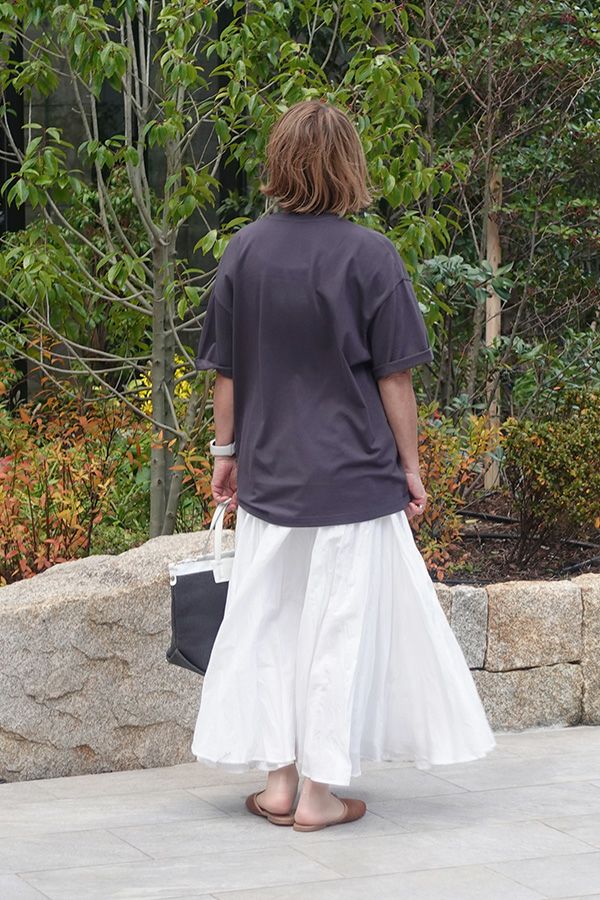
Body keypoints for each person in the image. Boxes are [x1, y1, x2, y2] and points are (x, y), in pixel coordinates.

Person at [191, 99, 496, 833]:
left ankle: (278, 785)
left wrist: (225, 455)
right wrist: (411, 466)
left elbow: (226, 373)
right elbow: (396, 377)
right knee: (337, 635)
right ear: (348, 166)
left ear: (280, 162)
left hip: (270, 477)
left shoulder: (243, 253)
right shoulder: (372, 256)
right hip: (354, 480)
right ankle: (319, 795)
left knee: (269, 626)